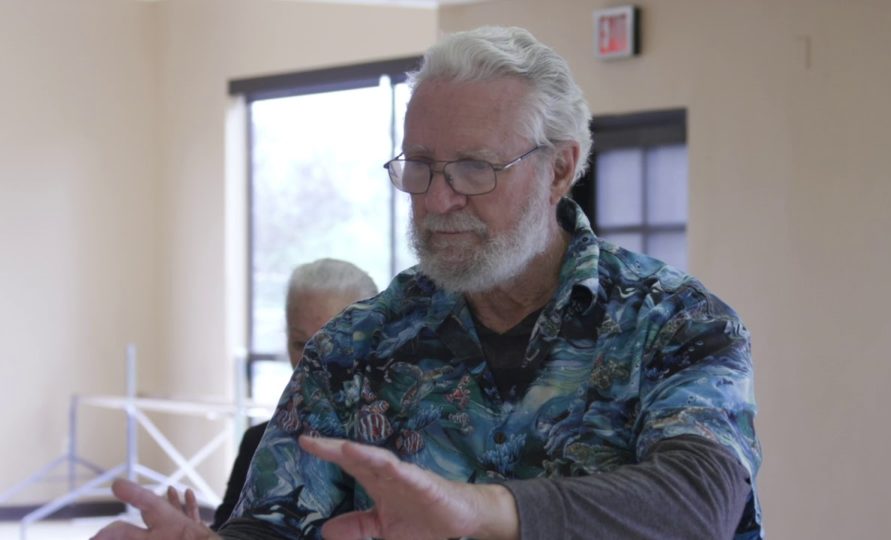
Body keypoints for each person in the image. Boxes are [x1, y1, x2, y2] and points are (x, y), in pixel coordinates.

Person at [94, 25, 762, 540]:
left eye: (474, 169)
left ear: (560, 169)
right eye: (418, 167)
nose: (437, 200)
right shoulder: (355, 347)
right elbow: (276, 523)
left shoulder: (675, 324)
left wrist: (480, 511)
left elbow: (699, 502)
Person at [210, 258, 378, 530]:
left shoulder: (412, 446)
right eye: (301, 344)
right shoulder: (260, 442)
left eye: (330, 342)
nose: (311, 362)